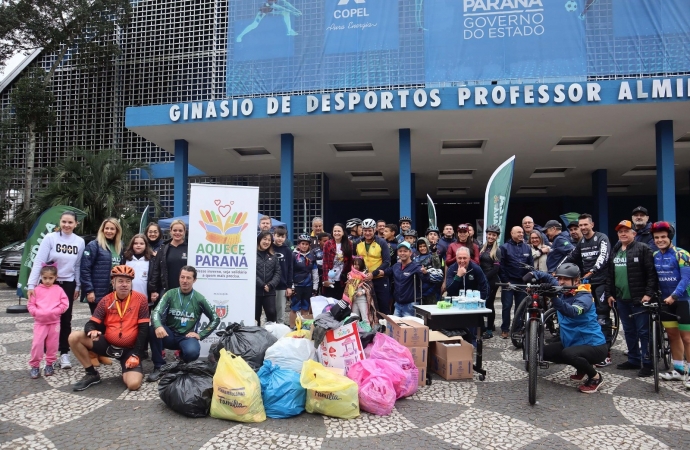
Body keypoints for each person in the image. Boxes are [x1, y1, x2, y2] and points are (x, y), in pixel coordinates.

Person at [68, 265, 149, 391]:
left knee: (133, 385)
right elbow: (90, 323)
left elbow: (144, 330)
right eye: (120, 281)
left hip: (129, 349)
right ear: (113, 282)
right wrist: (91, 331)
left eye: (128, 281)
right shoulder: (106, 300)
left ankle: (130, 367)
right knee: (74, 337)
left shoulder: (141, 300)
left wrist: (136, 354)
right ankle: (91, 374)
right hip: (108, 344)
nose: (124, 284)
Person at [530, 263, 608, 393]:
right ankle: (581, 368)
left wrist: (554, 297)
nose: (561, 282)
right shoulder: (564, 290)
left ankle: (595, 377)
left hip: (594, 346)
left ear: (576, 280)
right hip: (572, 342)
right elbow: (549, 278)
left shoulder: (585, 296)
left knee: (568, 354)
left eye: (565, 279)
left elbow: (572, 312)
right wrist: (533, 274)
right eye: (559, 279)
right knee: (543, 352)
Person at [27, 210, 85, 370]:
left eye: (70, 222)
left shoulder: (79, 241)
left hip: (68, 283)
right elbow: (39, 261)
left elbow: (78, 265)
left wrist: (78, 285)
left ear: (76, 224)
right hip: (48, 284)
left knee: (65, 319)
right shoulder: (50, 238)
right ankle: (45, 355)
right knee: (46, 318)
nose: (67, 225)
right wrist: (31, 285)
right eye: (64, 222)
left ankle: (64, 353)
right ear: (60, 222)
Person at [147, 266, 220, 382]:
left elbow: (215, 318)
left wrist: (201, 335)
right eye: (182, 277)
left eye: (188, 278)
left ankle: (182, 365)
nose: (185, 280)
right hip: (169, 334)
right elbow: (156, 312)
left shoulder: (199, 298)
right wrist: (158, 325)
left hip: (186, 337)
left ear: (194, 280)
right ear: (179, 278)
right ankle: (159, 367)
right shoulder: (170, 294)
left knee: (192, 352)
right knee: (152, 328)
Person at [605, 220, 657, 377]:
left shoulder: (643, 249)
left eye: (626, 231)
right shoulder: (616, 249)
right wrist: (609, 293)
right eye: (620, 231)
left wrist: (648, 293)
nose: (622, 233)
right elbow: (610, 274)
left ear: (634, 233)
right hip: (621, 299)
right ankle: (634, 360)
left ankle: (647, 363)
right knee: (629, 331)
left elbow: (651, 274)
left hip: (639, 299)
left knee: (643, 332)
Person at [561, 213, 612, 366]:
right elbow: (571, 256)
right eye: (580, 225)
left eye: (585, 225)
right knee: (585, 313)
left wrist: (593, 270)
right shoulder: (582, 241)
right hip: (586, 282)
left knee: (602, 316)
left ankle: (606, 353)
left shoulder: (602, 238)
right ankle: (587, 347)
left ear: (592, 224)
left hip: (601, 281)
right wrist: (557, 271)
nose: (583, 228)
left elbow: (604, 256)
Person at [651, 221, 690, 386]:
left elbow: (686, 279)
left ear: (670, 237)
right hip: (665, 301)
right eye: (657, 237)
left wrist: (674, 296)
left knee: (687, 338)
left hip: (682, 300)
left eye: (663, 237)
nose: (660, 240)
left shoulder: (682, 254)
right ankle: (679, 370)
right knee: (673, 336)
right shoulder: (655, 256)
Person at [28, 264, 69, 378]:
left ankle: (49, 364)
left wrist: (56, 312)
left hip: (54, 322)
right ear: (41, 276)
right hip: (40, 322)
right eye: (45, 278)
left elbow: (65, 303)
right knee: (37, 344)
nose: (47, 281)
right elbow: (31, 304)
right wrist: (36, 313)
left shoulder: (59, 290)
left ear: (55, 277)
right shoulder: (36, 290)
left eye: (50, 278)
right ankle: (35, 366)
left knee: (53, 344)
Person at [82, 218, 123, 316]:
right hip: (97, 292)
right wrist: (89, 291)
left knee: (112, 322)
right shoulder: (94, 245)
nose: (109, 231)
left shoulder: (119, 246)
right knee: (98, 323)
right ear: (102, 230)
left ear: (117, 231)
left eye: (112, 229)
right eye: (106, 228)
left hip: (114, 292)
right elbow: (85, 269)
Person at [374, 242, 428, 317]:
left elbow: (425, 279)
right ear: (397, 253)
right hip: (397, 305)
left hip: (410, 305)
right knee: (394, 327)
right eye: (400, 251)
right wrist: (373, 273)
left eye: (405, 251)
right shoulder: (396, 266)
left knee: (409, 328)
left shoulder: (416, 267)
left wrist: (425, 273)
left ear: (410, 253)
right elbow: (385, 272)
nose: (402, 253)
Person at [499, 226, 534, 339]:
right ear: (512, 233)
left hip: (522, 282)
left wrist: (529, 282)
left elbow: (531, 266)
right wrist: (505, 281)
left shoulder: (527, 248)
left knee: (520, 307)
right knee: (507, 306)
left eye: (522, 232)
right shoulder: (504, 247)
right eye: (518, 232)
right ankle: (505, 329)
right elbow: (501, 266)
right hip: (509, 282)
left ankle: (518, 329)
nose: (521, 234)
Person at [148, 219, 188, 305]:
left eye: (180, 230)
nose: (177, 233)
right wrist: (153, 290)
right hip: (166, 290)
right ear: (170, 231)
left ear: (184, 232)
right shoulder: (163, 248)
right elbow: (156, 270)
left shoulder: (189, 248)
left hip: (184, 290)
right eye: (175, 230)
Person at [356, 219, 392, 314]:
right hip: (364, 280)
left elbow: (387, 262)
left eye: (370, 230)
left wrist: (374, 273)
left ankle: (385, 328)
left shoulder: (382, 242)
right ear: (362, 230)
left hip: (379, 279)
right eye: (365, 230)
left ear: (374, 230)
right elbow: (355, 261)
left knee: (383, 306)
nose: (367, 233)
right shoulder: (358, 243)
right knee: (368, 308)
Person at [479, 225, 502, 338]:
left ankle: (489, 330)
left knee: (489, 304)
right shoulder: (482, 247)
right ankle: (485, 326)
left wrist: (483, 278)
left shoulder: (497, 250)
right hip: (482, 280)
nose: (491, 236)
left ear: (497, 237)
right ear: (486, 234)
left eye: (494, 235)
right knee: (481, 303)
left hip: (492, 280)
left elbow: (496, 269)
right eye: (489, 234)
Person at [291, 234, 319, 327]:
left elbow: (315, 272)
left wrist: (315, 287)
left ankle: (304, 328)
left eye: (306, 244)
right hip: (297, 285)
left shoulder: (312, 256)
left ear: (309, 245)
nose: (304, 246)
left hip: (308, 286)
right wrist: (291, 286)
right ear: (298, 244)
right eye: (302, 244)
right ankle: (292, 327)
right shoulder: (293, 255)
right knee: (294, 308)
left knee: (305, 307)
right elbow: (290, 271)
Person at [256, 231, 281, 324]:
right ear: (259, 240)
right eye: (264, 239)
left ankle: (271, 336)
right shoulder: (252, 254)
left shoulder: (273, 256)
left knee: (271, 313)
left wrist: (270, 285)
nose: (266, 242)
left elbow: (278, 272)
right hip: (256, 291)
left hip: (269, 291)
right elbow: (250, 272)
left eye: (269, 240)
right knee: (255, 316)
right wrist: (262, 285)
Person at [321, 223, 352, 301]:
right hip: (331, 278)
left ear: (343, 232)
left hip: (343, 279)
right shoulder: (327, 244)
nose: (337, 233)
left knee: (342, 303)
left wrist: (350, 277)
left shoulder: (349, 244)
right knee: (330, 303)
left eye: (339, 231)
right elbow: (325, 263)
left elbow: (350, 262)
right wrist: (325, 279)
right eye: (335, 231)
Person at [343, 257, 376, 327]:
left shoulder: (365, 275)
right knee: (355, 318)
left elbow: (370, 287)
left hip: (362, 299)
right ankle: (357, 333)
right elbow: (348, 287)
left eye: (358, 264)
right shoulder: (350, 274)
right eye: (355, 264)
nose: (356, 266)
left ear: (361, 265)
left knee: (365, 317)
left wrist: (362, 292)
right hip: (354, 300)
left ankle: (368, 332)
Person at [272, 227, 293, 325]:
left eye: (282, 236)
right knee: (270, 310)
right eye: (278, 236)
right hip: (269, 285)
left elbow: (290, 268)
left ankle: (279, 331)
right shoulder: (269, 248)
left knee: (280, 311)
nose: (280, 238)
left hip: (282, 285)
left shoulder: (287, 250)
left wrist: (289, 286)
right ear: (273, 236)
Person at [121, 233, 153, 299]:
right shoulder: (126, 258)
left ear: (146, 245)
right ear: (132, 245)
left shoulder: (151, 259)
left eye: (141, 244)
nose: (138, 245)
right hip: (127, 297)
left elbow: (153, 277)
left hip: (144, 296)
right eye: (135, 243)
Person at [415, 237, 443, 304]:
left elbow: (438, 266)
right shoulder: (415, 259)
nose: (422, 248)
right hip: (420, 289)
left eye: (424, 246)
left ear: (428, 245)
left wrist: (434, 252)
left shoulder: (432, 255)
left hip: (433, 288)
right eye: (420, 246)